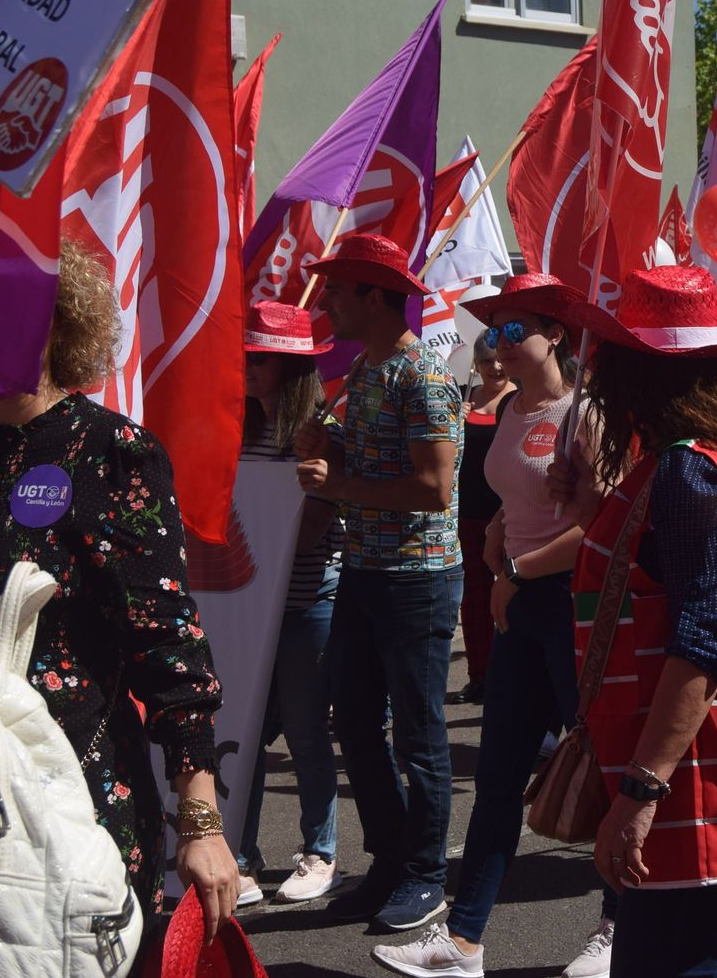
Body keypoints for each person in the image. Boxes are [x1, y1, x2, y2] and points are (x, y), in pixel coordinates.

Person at [0, 242, 235, 954]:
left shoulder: (109, 451)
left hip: (67, 790)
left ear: (54, 328)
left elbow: (169, 645)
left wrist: (201, 820)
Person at [559, 266, 717, 977]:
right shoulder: (699, 462)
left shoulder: (689, 473)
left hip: (690, 787)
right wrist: (591, 513)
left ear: (636, 372)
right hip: (702, 779)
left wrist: (640, 792)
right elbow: (664, 591)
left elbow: (706, 635)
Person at [372, 272, 616, 978]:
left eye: (515, 331)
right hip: (520, 607)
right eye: (493, 333)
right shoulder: (509, 410)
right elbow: (519, 491)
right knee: (501, 777)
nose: (499, 346)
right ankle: (464, 941)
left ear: (556, 336)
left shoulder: (586, 414)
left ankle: (617, 927)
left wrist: (514, 573)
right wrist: (499, 533)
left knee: (597, 771)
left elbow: (596, 528)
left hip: (571, 606)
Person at [294, 234, 464, 932]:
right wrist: (328, 448)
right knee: (356, 723)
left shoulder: (422, 373)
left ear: (373, 296)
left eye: (337, 289)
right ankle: (391, 860)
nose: (326, 301)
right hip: (366, 571)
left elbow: (433, 488)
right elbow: (373, 464)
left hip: (416, 579)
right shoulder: (364, 371)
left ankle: (425, 874)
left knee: (418, 736)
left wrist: (339, 483)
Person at [232, 301, 344, 905]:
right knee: (244, 733)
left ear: (289, 366)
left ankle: (320, 851)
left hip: (305, 603)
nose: (248, 366)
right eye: (245, 355)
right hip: (249, 602)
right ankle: (240, 851)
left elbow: (315, 525)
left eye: (262, 357)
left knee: (304, 733)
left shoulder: (323, 431)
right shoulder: (237, 427)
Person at [452, 333, 511, 706]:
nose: (496, 367)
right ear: (476, 364)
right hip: (467, 513)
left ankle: (510, 675)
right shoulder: (462, 399)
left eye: (499, 359)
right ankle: (480, 677)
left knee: (509, 596)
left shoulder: (519, 402)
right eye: (487, 361)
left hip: (506, 515)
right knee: (473, 599)